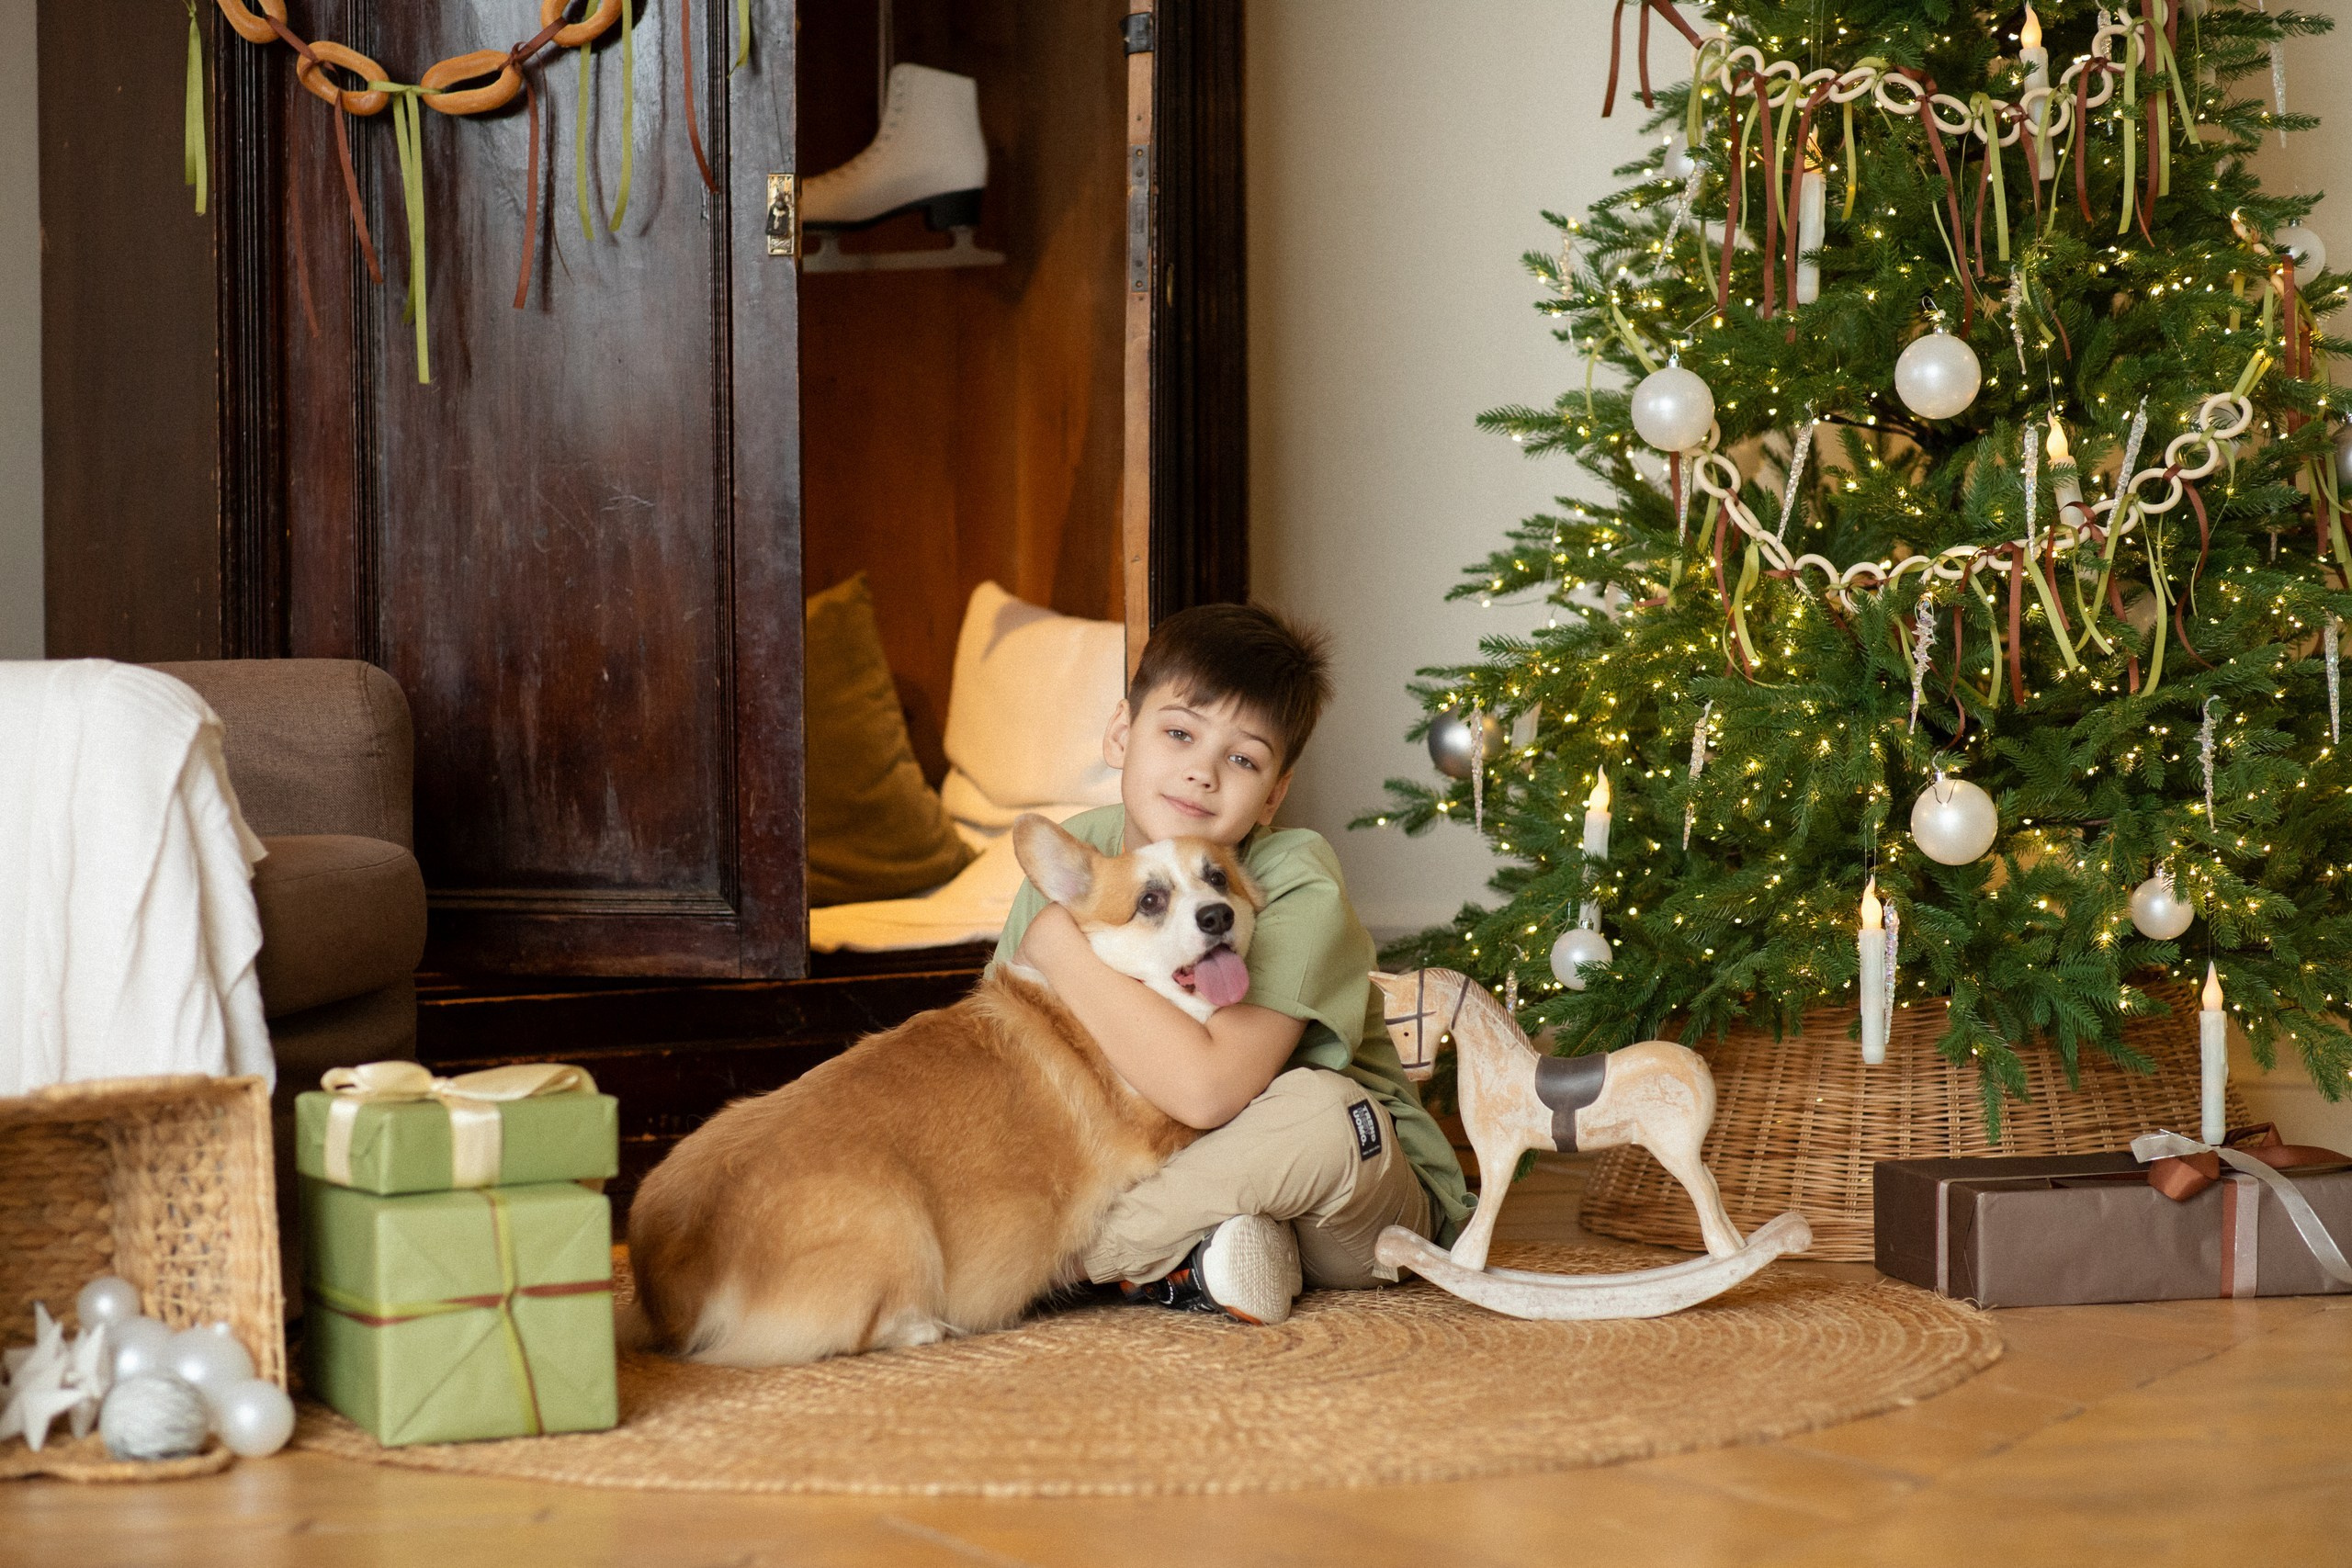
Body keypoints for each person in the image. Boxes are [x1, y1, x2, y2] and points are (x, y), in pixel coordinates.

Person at [993, 603, 1472, 1325]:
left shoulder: (1294, 876)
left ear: (1275, 792)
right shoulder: (1079, 858)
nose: (1202, 773)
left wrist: (1061, 943)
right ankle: (1205, 1258)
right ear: (1123, 733)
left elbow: (1208, 1089)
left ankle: (1047, 1261)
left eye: (1242, 758)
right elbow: (1009, 1061)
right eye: (1179, 732)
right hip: (1171, 1166)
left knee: (1324, 1113)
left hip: (1348, 1198)